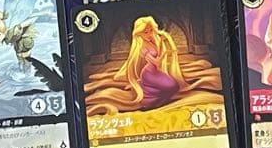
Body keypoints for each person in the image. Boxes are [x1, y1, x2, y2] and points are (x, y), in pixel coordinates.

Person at [83, 15, 222, 115]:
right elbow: (156, 61)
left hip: (156, 71)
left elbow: (167, 50)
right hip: (148, 73)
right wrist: (165, 53)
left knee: (173, 87)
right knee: (171, 86)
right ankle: (148, 102)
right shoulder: (142, 47)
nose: (149, 34)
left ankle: (152, 100)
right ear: (139, 33)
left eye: (150, 30)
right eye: (145, 32)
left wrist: (166, 39)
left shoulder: (154, 40)